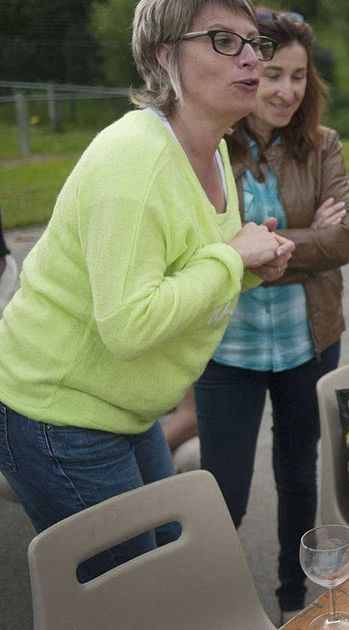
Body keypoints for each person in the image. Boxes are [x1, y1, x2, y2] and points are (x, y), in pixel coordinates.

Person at [0, 0, 294, 582]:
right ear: (165, 57)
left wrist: (246, 266)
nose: (252, 60)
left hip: (126, 411)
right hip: (60, 412)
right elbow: (130, 323)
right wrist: (231, 257)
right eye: (222, 40)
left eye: (254, 43)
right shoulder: (133, 159)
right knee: (133, 592)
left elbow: (184, 270)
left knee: (165, 559)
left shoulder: (210, 149)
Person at [193, 8, 349, 621]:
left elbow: (345, 239)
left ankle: (294, 602)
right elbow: (197, 254)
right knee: (223, 495)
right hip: (227, 349)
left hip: (307, 341)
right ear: (244, 78)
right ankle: (210, 606)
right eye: (270, 76)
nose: (286, 90)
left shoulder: (324, 145)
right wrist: (302, 240)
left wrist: (254, 251)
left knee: (298, 480)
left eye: (296, 76)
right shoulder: (207, 149)